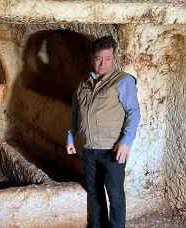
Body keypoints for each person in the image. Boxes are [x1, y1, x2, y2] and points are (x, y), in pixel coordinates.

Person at [66, 36, 141, 228]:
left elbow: (133, 112)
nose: (103, 63)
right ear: (92, 57)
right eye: (99, 58)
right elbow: (76, 113)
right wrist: (70, 138)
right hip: (89, 149)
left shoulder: (123, 81)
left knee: (115, 194)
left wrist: (126, 141)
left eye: (108, 58)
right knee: (94, 192)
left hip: (113, 149)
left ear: (113, 58)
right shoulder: (82, 84)